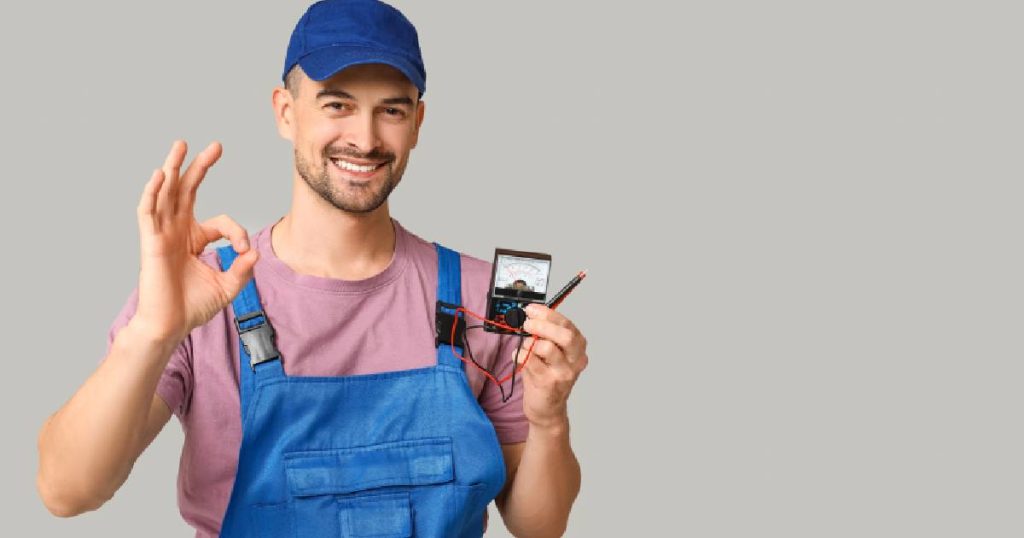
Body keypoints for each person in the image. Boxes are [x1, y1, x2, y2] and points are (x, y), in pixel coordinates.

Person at [35, 1, 589, 536]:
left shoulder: (477, 297)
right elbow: (67, 491)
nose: (365, 139)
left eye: (391, 110)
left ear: (418, 122)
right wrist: (152, 332)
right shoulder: (205, 294)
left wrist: (549, 420)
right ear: (285, 111)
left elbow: (540, 527)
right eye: (337, 105)